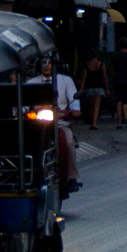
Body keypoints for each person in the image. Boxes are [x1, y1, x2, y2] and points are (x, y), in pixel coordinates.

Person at [29, 57, 80, 193]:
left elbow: (75, 101)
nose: (46, 66)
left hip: (60, 123)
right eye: (43, 62)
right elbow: (23, 106)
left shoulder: (66, 81)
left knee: (69, 143)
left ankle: (72, 177)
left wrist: (72, 111)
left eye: (49, 62)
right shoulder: (31, 83)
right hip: (37, 126)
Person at [110, 38, 127, 128]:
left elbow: (111, 70)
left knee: (119, 101)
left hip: (118, 81)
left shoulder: (115, 56)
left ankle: (119, 122)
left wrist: (115, 77)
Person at [81, 54, 109, 130]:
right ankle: (94, 123)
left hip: (90, 87)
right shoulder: (102, 64)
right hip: (99, 87)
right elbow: (105, 77)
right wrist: (106, 88)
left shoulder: (87, 65)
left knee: (91, 106)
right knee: (97, 106)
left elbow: (84, 78)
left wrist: (81, 89)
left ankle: (91, 120)